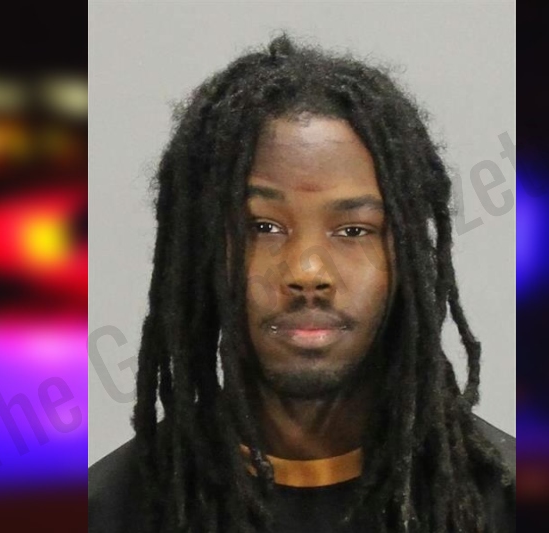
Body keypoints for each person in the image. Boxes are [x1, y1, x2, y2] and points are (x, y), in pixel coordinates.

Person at [89, 34, 515, 533]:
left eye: (353, 231)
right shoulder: (108, 511)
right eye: (262, 227)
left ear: (407, 256)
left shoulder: (504, 504)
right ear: (202, 250)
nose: (307, 273)